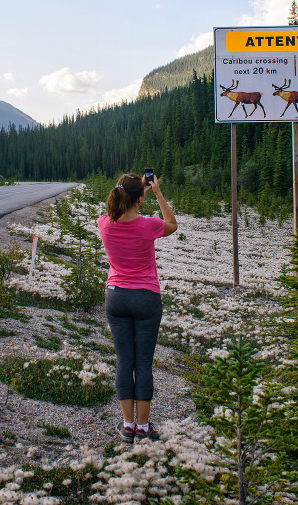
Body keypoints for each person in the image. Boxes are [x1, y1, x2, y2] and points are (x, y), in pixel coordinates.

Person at [97, 172, 177, 443]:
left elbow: (114, 209)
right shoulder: (149, 225)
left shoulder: (104, 224)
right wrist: (156, 192)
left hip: (116, 297)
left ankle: (127, 425)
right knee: (143, 362)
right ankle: (143, 428)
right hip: (146, 297)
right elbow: (172, 224)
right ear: (139, 199)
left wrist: (135, 191)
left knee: (124, 360)